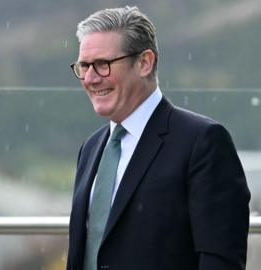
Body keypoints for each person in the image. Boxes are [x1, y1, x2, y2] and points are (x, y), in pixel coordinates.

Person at [66, 6, 250, 270]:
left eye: (103, 65)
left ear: (144, 63)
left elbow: (220, 260)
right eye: (84, 66)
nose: (91, 78)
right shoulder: (92, 148)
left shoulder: (203, 142)